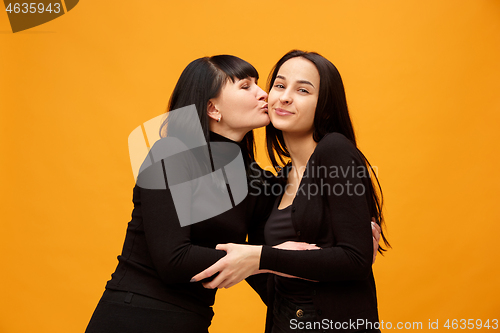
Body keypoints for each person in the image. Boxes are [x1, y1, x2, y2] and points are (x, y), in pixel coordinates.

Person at [85, 54, 382, 333]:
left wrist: (345, 254)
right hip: (135, 312)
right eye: (245, 86)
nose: (264, 94)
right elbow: (172, 260)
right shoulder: (170, 154)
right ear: (213, 109)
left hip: (193, 319)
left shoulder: (258, 182)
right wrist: (262, 257)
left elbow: (268, 264)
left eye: (259, 83)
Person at [191, 50, 390, 333]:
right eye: (280, 86)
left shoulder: (335, 151)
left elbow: (355, 259)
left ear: (325, 108)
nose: (284, 97)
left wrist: (261, 258)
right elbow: (268, 273)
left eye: (303, 90)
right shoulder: (276, 183)